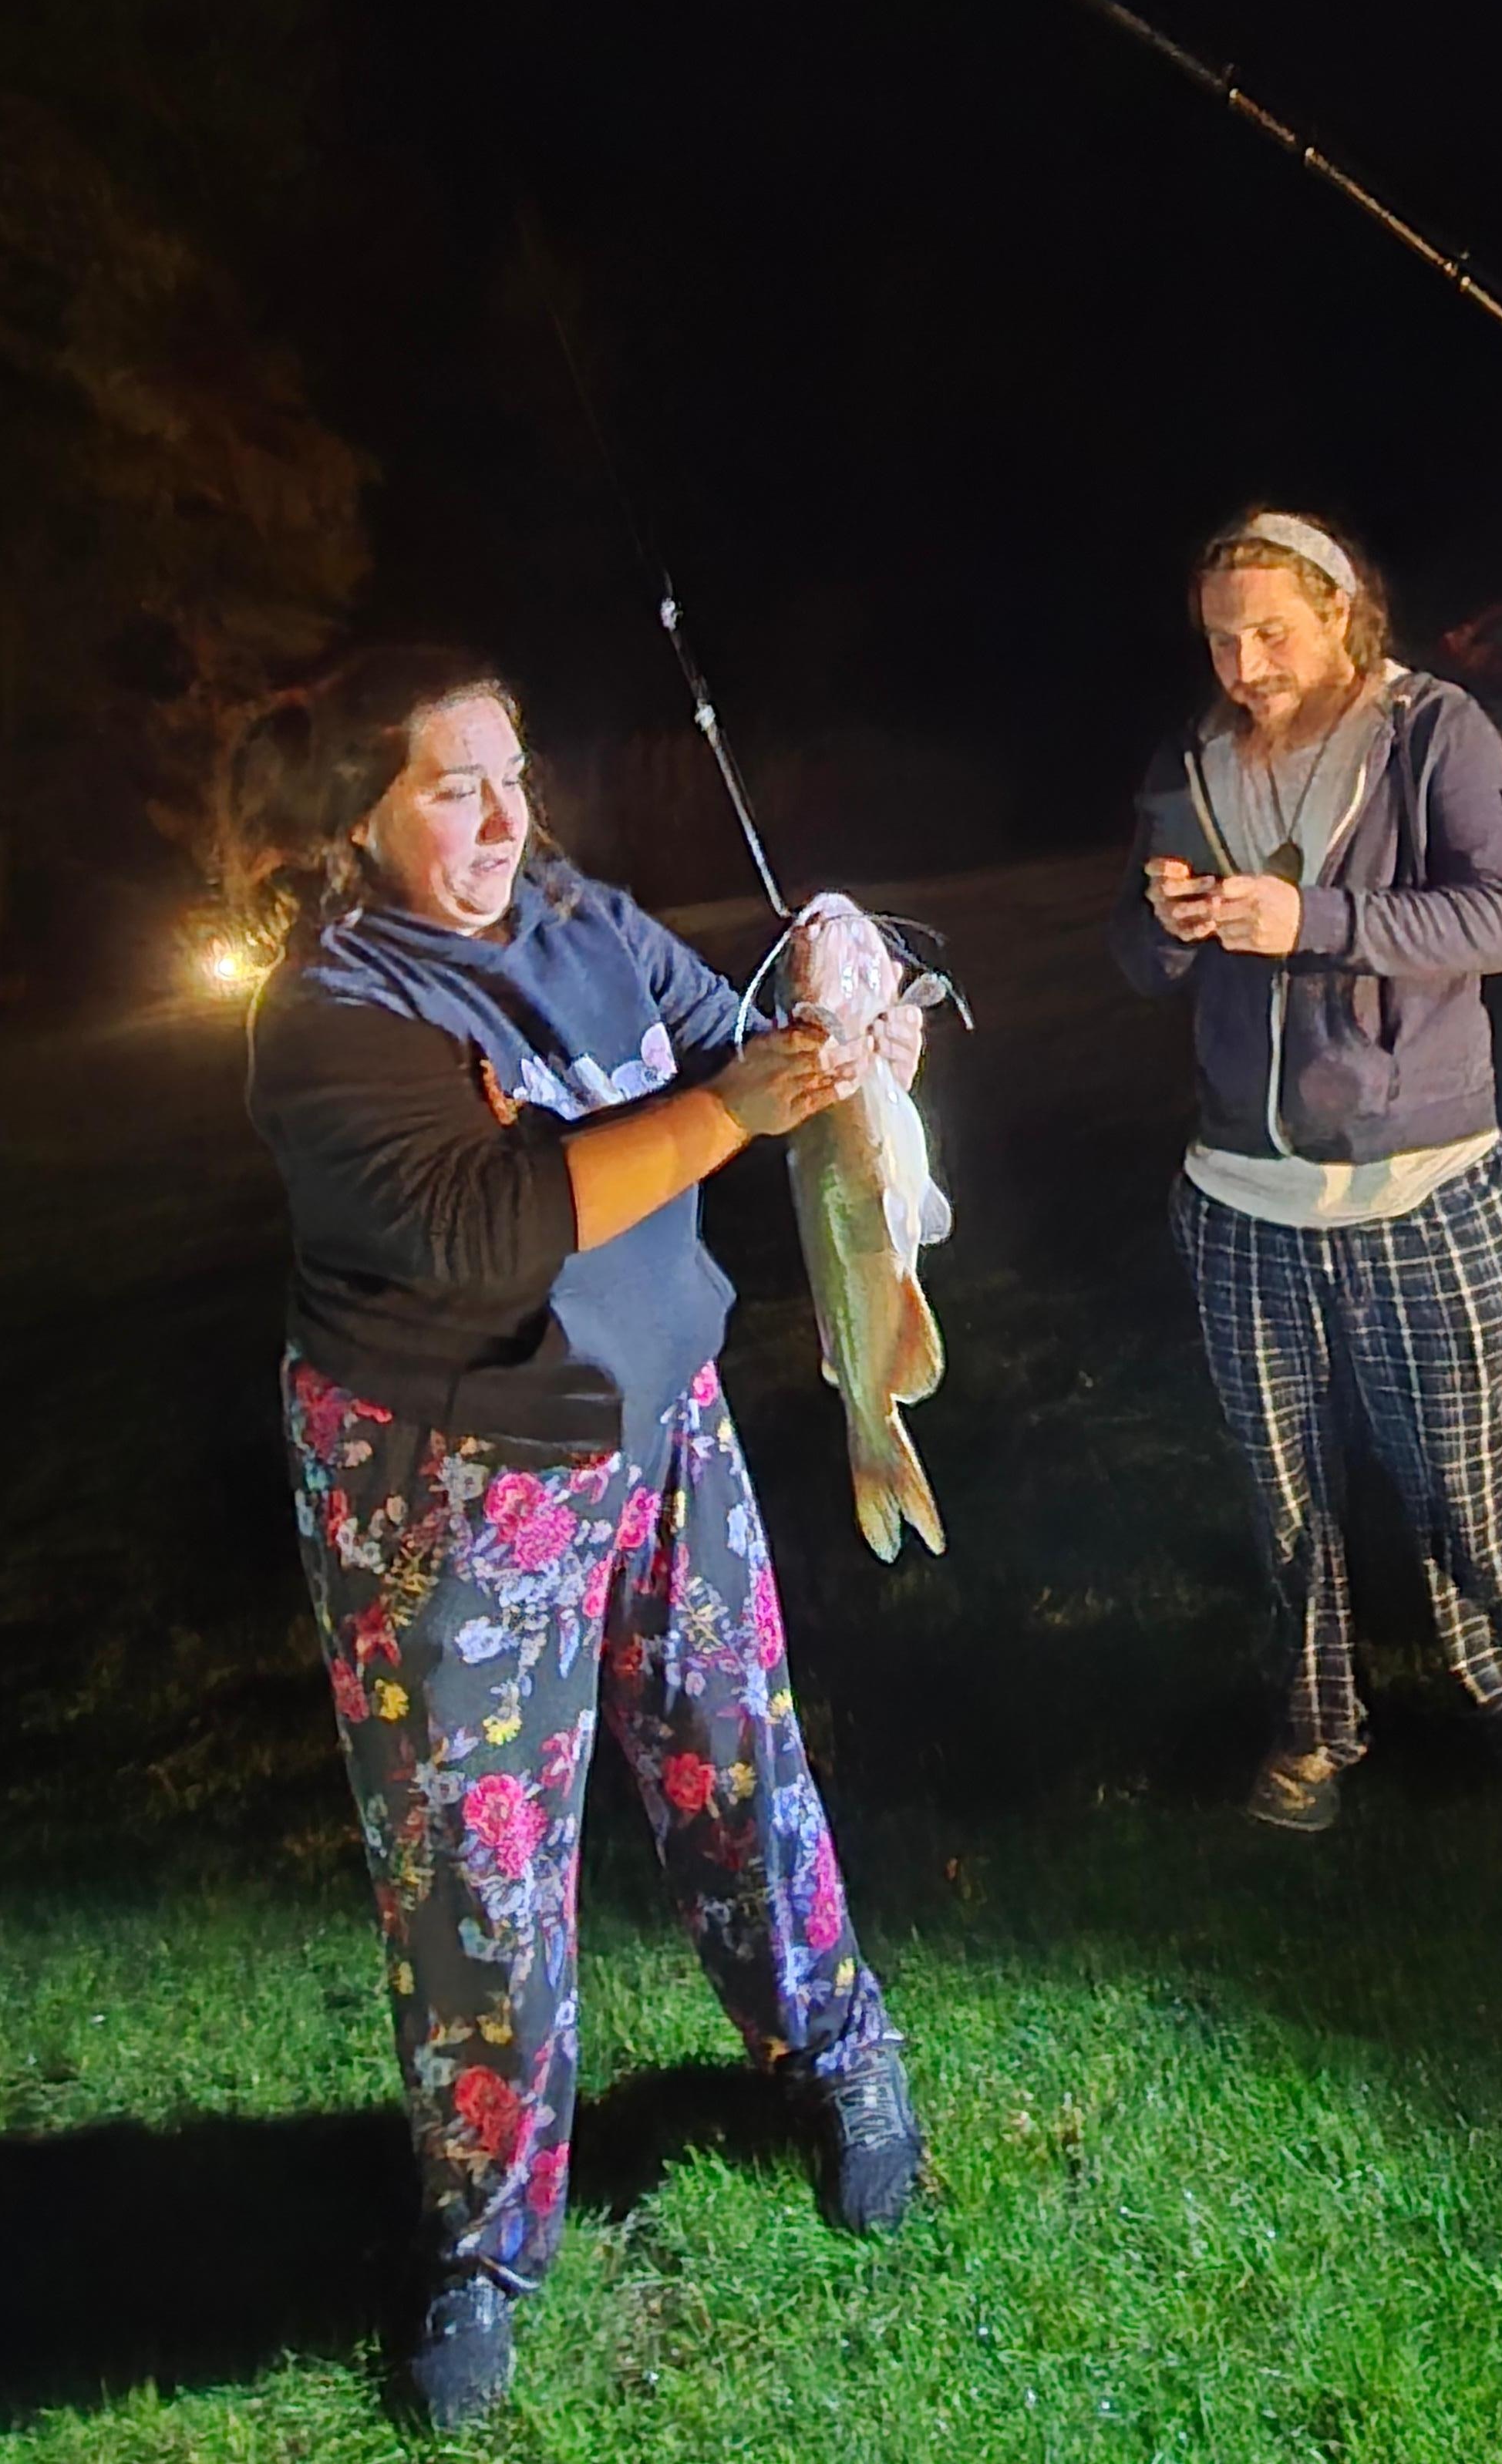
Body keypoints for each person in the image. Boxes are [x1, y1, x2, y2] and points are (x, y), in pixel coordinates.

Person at [229, 648, 925, 2429]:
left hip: (661, 1420)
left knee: (738, 1761)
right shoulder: (328, 1012)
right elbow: (491, 1222)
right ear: (354, 821)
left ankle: (839, 2053)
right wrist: (726, 1114)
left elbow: (720, 1030)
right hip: (447, 1489)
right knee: (477, 1867)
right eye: (453, 787)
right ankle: (484, 2236)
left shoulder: (581, 913)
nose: (503, 816)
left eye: (512, 773)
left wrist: (843, 1040)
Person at [1107, 508, 1502, 1848]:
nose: (1247, 663)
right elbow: (1136, 953)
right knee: (1282, 1498)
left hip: (1428, 1188)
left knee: (1464, 1483)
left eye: (1273, 630)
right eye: (1223, 638)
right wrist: (1163, 931)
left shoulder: (1429, 729)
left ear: (1344, 611)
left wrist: (1312, 920)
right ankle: (1316, 1726)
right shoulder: (1190, 755)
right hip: (1237, 1201)